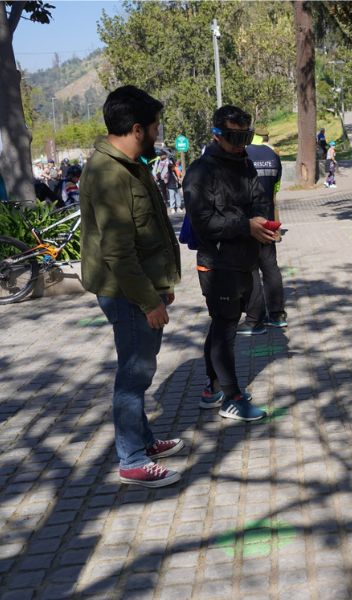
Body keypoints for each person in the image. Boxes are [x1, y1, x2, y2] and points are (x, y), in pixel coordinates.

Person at [79, 85, 183, 487]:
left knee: (136, 370)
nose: (158, 134)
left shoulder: (129, 163)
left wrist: (161, 285)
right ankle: (132, 460)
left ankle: (143, 440)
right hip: (127, 295)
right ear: (138, 129)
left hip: (139, 288)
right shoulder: (110, 173)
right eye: (155, 127)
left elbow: (146, 235)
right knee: (134, 376)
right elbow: (119, 253)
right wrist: (148, 301)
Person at [183, 105, 277, 422]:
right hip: (217, 262)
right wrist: (246, 225)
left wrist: (264, 224)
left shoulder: (245, 164)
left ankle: (212, 389)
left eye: (245, 137)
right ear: (217, 134)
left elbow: (259, 199)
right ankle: (231, 397)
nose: (240, 144)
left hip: (244, 261)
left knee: (224, 323)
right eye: (235, 137)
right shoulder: (200, 171)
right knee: (225, 329)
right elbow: (204, 222)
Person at [240, 128, 287, 335]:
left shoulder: (243, 153)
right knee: (270, 267)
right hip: (268, 219)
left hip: (249, 222)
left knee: (251, 270)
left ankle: (254, 320)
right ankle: (277, 315)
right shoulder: (274, 156)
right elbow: (275, 191)